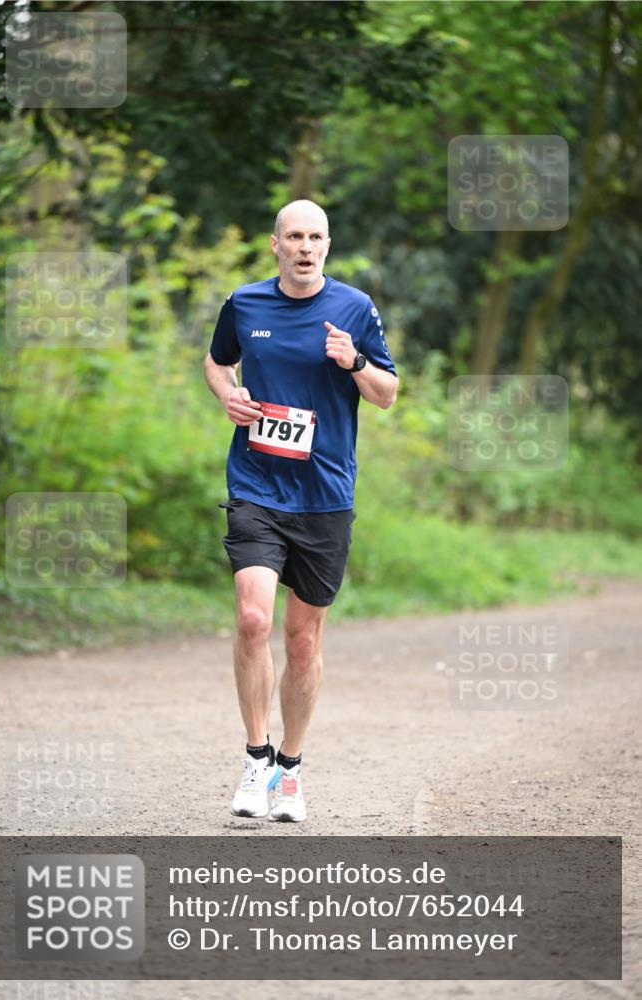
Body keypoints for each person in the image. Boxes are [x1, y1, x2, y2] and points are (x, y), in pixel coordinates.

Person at [204, 199, 398, 822]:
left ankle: (289, 771)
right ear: (276, 245)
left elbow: (388, 394)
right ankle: (255, 757)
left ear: (328, 245)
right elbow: (216, 362)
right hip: (256, 483)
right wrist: (229, 396)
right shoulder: (246, 303)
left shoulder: (353, 309)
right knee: (254, 619)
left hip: (325, 495)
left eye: (316, 236)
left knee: (303, 640)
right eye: (295, 236)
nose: (305, 247)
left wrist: (355, 362)